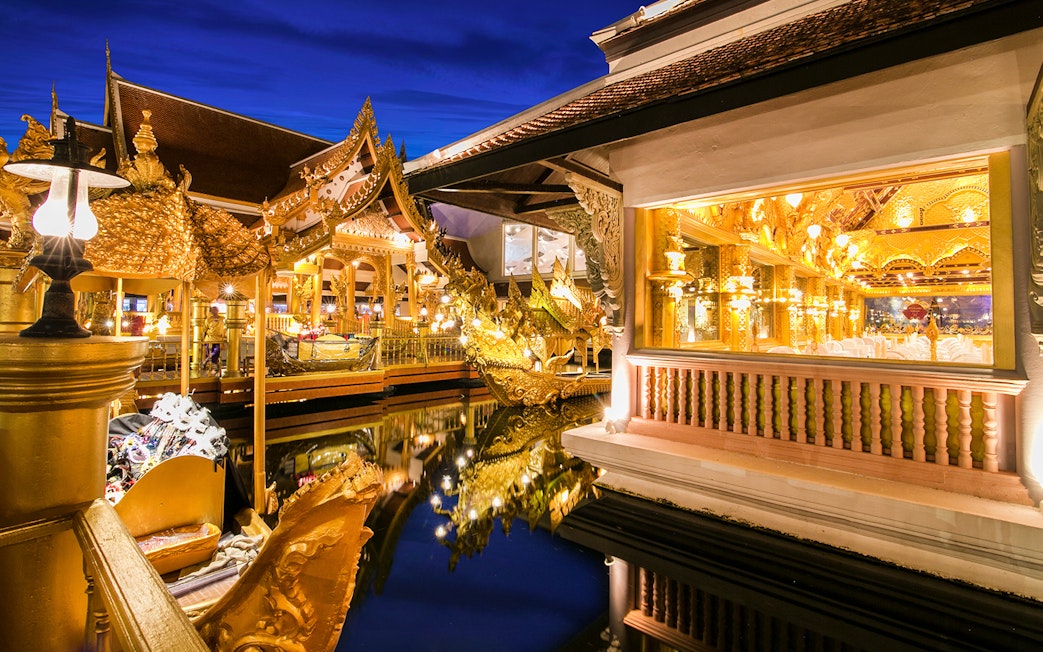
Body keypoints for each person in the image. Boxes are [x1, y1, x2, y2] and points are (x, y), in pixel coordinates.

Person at [202, 306, 226, 374]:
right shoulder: (208, 320)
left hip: (218, 339)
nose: (215, 311)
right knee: (209, 352)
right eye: (213, 310)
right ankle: (213, 366)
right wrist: (203, 339)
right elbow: (205, 330)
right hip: (209, 338)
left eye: (216, 310)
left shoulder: (222, 319)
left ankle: (207, 361)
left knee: (216, 352)